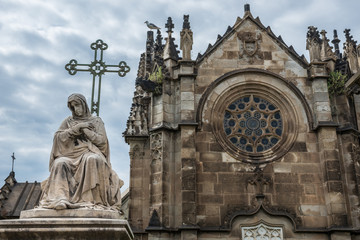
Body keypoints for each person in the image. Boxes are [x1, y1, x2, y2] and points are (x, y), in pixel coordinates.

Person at [39, 93, 123, 210]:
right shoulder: (68, 121)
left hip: (90, 152)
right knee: (60, 163)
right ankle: (60, 198)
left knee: (92, 159)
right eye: (72, 107)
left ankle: (89, 199)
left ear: (84, 105)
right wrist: (75, 129)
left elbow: (101, 141)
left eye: (77, 105)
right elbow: (58, 138)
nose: (76, 109)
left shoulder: (96, 121)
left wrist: (85, 130)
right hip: (71, 155)